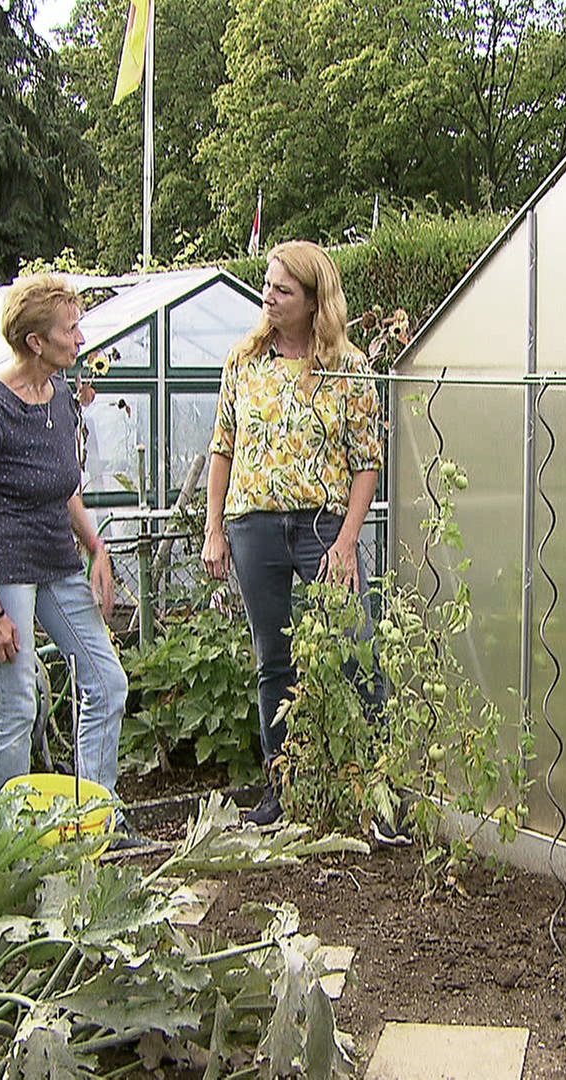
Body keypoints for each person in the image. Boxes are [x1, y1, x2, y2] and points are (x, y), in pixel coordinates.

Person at [202, 241, 381, 827]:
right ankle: (282, 793)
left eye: (283, 290)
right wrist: (214, 530)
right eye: (268, 285)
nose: (268, 297)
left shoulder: (347, 369)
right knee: (274, 661)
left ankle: (374, 793)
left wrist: (347, 540)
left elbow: (365, 462)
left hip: (323, 529)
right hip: (253, 527)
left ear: (313, 301)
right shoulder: (243, 362)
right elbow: (223, 448)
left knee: (355, 652)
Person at [0, 274, 129, 796]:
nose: (80, 339)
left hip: (58, 561)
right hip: (6, 568)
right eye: (71, 329)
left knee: (107, 683)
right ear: (36, 342)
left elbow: (65, 486)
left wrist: (96, 546)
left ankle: (95, 815)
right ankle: (4, 839)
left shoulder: (61, 398)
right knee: (19, 700)